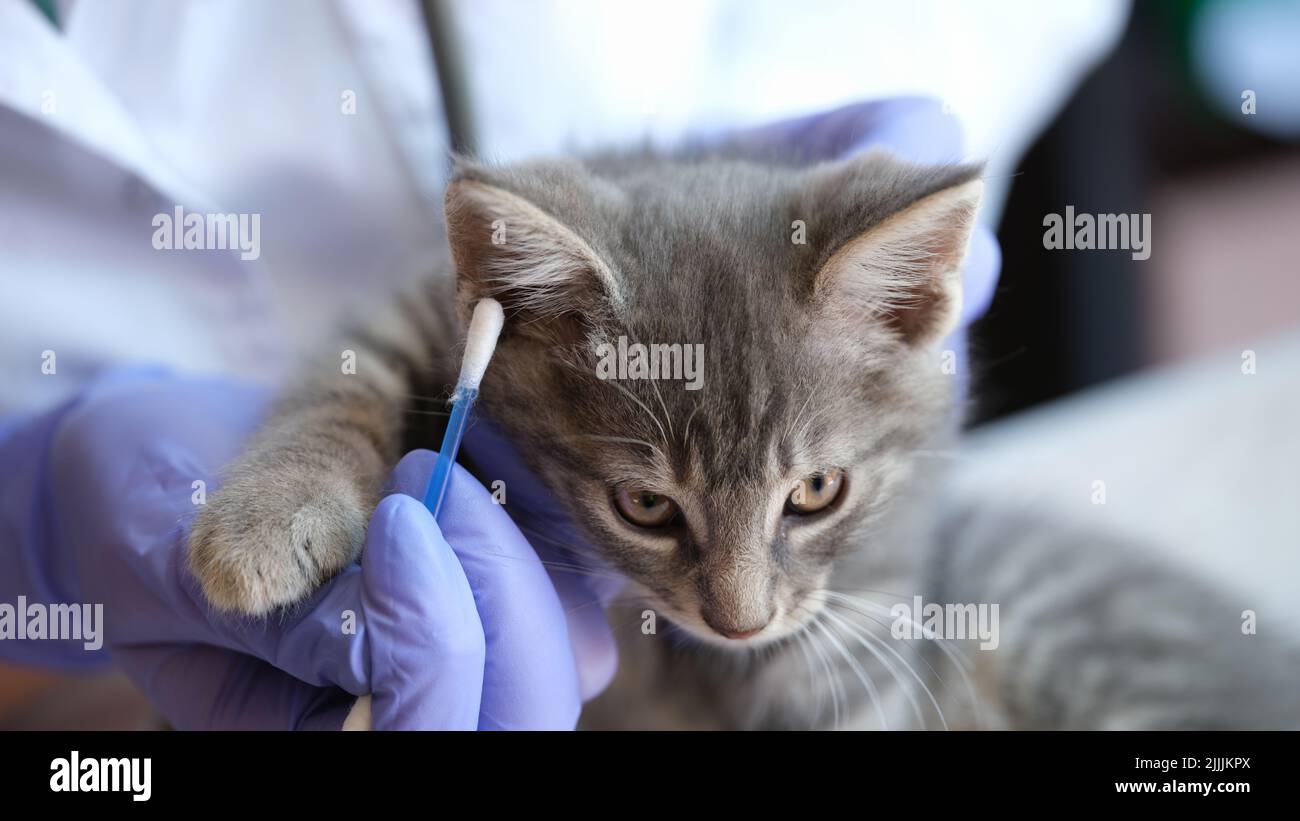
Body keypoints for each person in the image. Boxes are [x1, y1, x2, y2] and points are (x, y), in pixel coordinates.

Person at [0, 0, 1119, 728]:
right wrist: (34, 518)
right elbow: (410, 328)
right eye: (648, 503)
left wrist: (816, 245)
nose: (738, 605)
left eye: (811, 491)